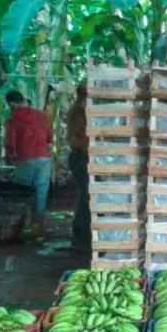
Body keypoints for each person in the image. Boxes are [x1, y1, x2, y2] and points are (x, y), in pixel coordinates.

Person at [4, 90, 53, 239]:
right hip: (44, 158)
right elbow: (50, 137)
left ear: (12, 103)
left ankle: (16, 228)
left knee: (21, 192)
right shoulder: (40, 115)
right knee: (41, 193)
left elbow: (11, 143)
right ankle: (38, 228)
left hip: (26, 158)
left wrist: (10, 157)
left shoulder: (13, 119)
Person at [66, 82, 90, 252]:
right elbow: (84, 135)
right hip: (81, 156)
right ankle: (81, 235)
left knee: (86, 196)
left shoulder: (79, 110)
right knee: (87, 196)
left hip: (81, 156)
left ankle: (81, 234)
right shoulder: (79, 112)